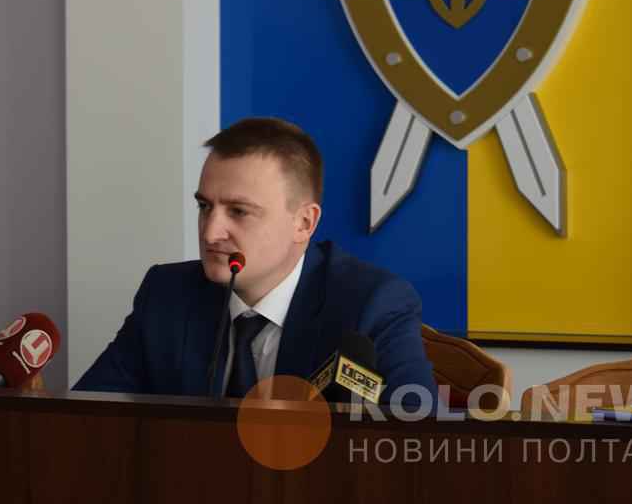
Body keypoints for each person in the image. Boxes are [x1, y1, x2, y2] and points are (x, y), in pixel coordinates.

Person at [74, 117, 436, 405]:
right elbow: (90, 417)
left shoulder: (371, 304)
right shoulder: (167, 294)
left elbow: (414, 441)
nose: (210, 232)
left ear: (304, 223)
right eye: (204, 206)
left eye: (239, 211)